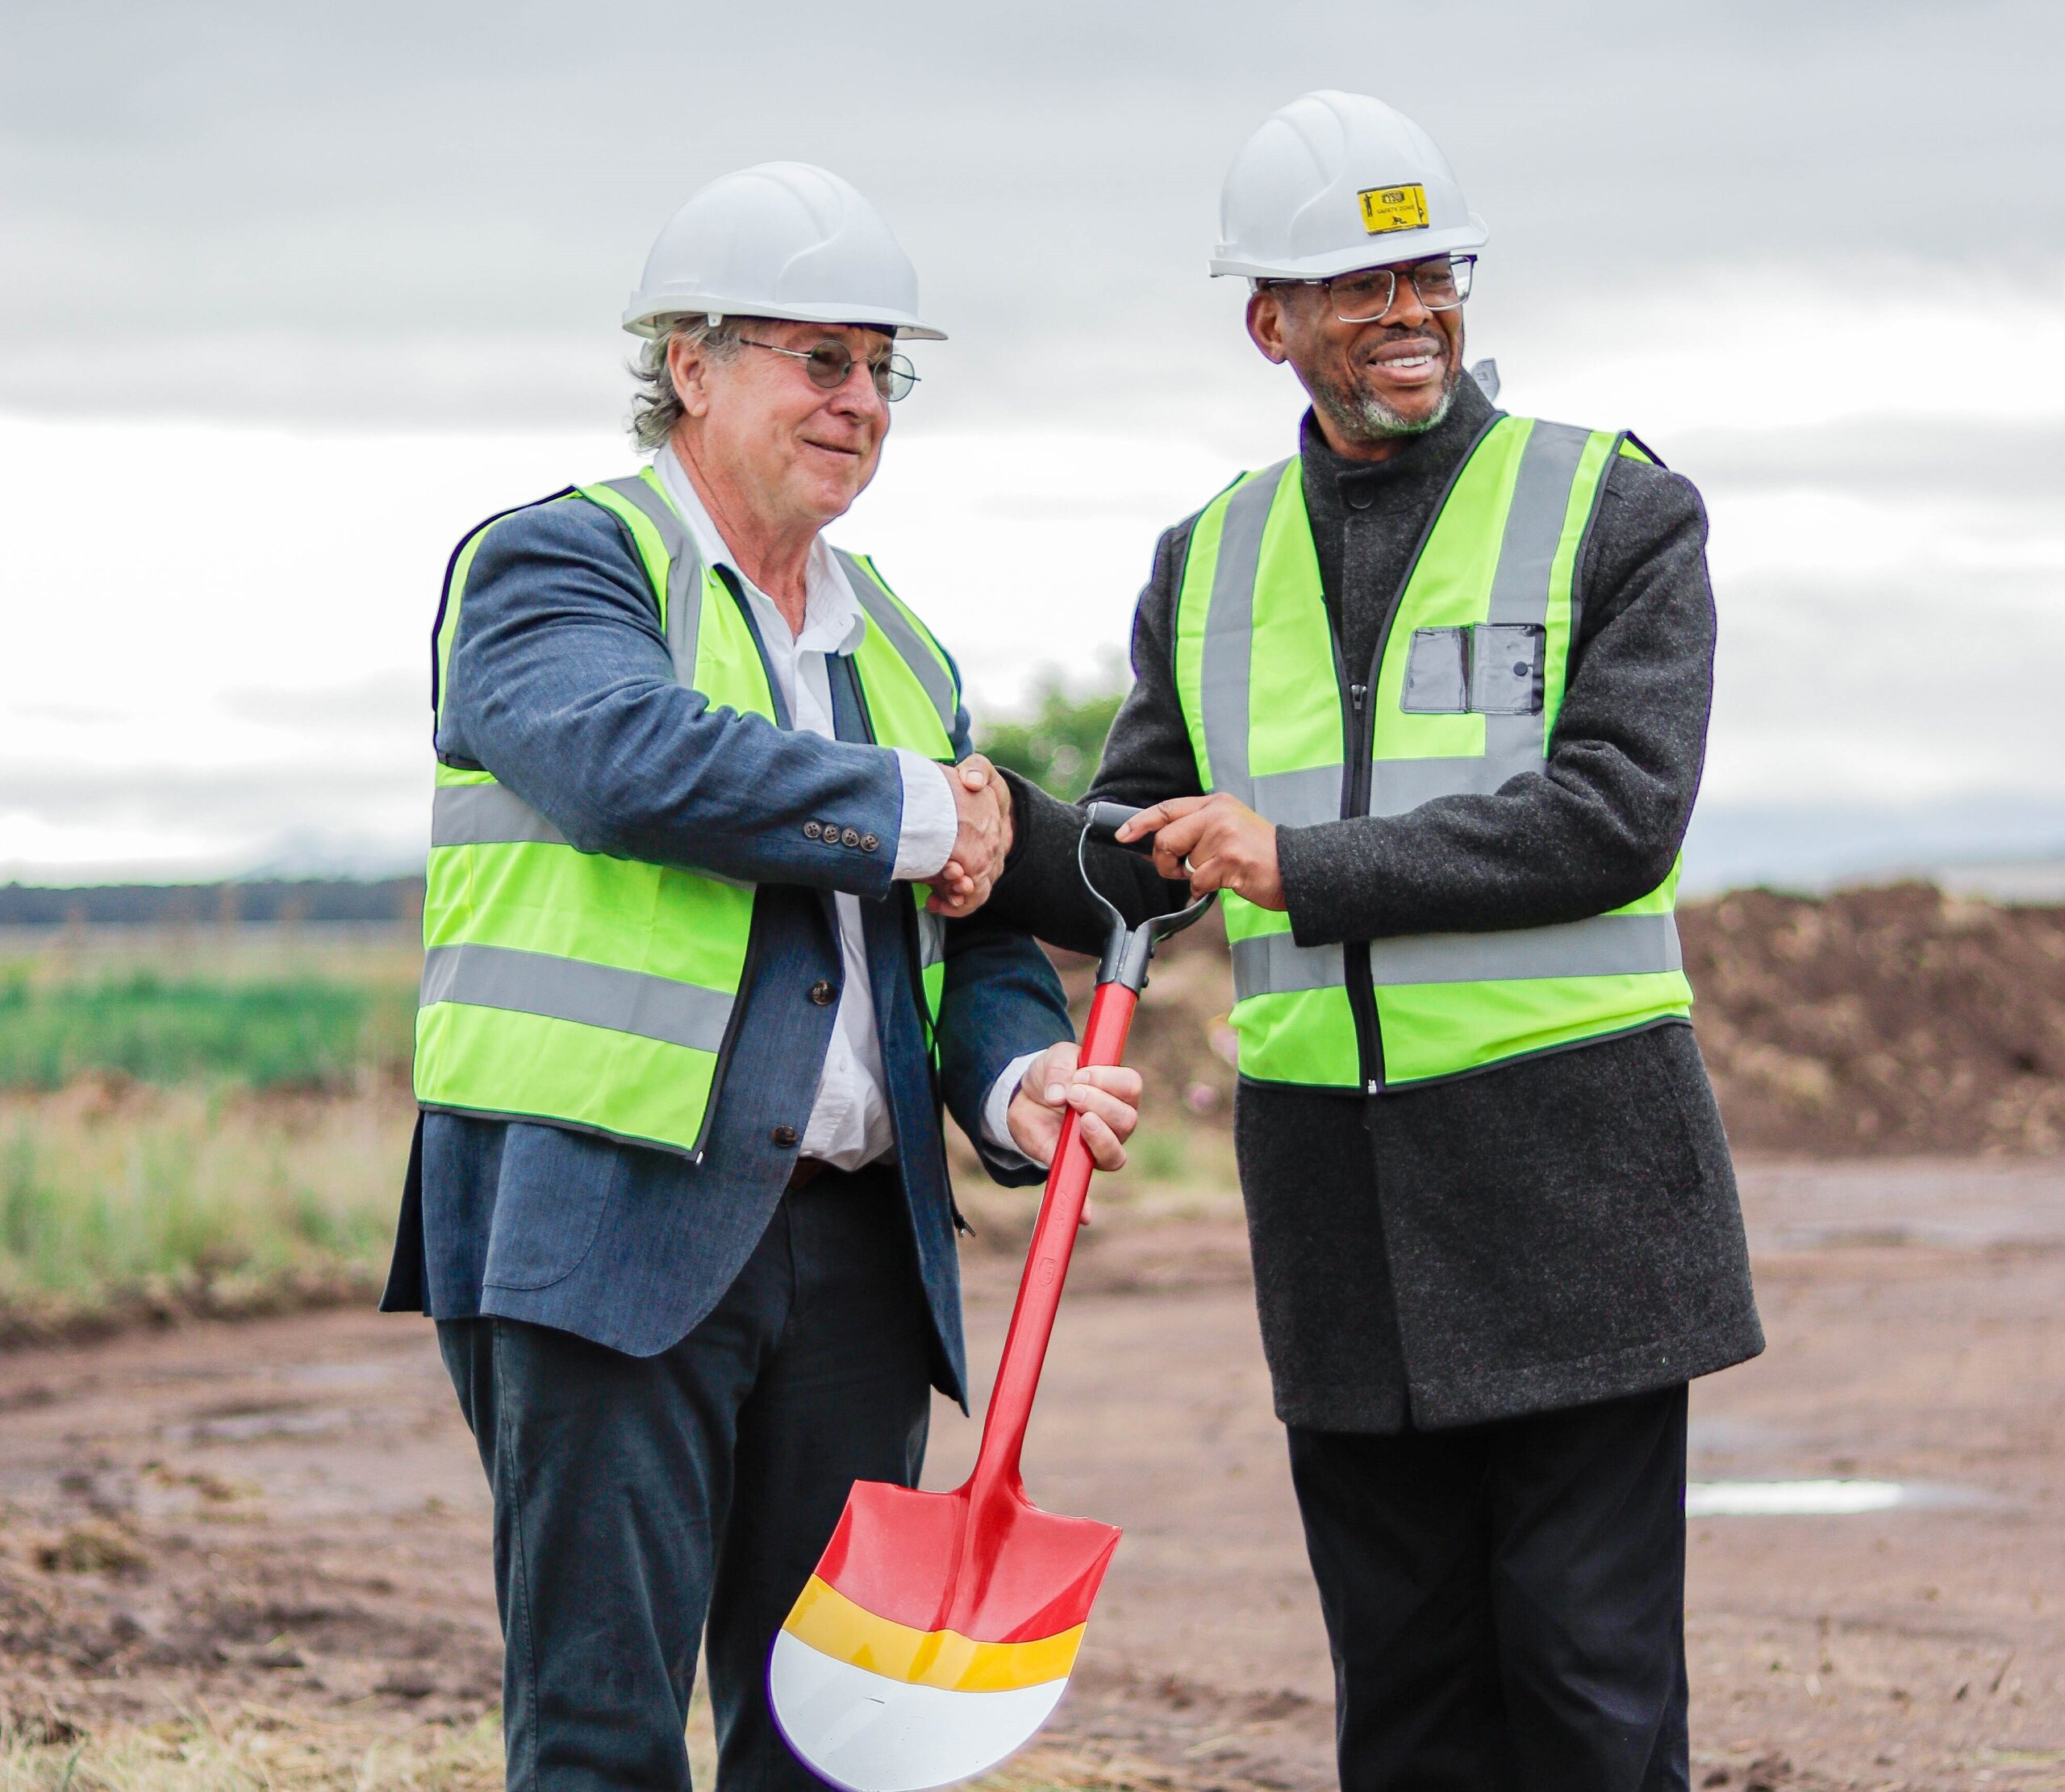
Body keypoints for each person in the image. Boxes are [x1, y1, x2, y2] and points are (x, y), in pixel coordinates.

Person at [987, 92, 1763, 1789]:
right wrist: (971, 830)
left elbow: (1617, 814)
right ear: (1269, 322)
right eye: (1360, 284)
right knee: (1404, 1709)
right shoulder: (1208, 558)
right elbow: (1142, 858)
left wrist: (1303, 863)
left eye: (1431, 275)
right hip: (1336, 1211)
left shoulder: (1613, 510)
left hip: (1574, 1195)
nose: (1410, 311)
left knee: (1588, 1695)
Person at [380, 160, 1145, 1792]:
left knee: (825, 1750)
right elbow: (633, 764)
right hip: (606, 1226)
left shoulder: (901, 648)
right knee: (602, 1738)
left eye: (882, 370)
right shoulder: (555, 571)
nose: (859, 400)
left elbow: (968, 934)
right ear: (691, 364)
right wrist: (931, 810)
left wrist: (1012, 1075)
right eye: (820, 359)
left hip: (858, 1253)